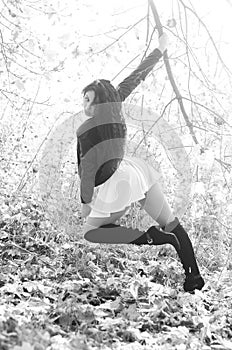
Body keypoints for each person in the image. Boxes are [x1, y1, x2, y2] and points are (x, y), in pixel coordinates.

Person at [76, 33, 205, 293]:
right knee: (171, 222)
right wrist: (160, 49)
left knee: (92, 232)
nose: (84, 104)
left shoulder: (85, 128)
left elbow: (87, 168)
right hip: (137, 171)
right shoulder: (115, 104)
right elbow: (136, 76)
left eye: (88, 99)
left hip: (117, 182)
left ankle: (151, 237)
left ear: (99, 100)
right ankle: (194, 278)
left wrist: (85, 202)